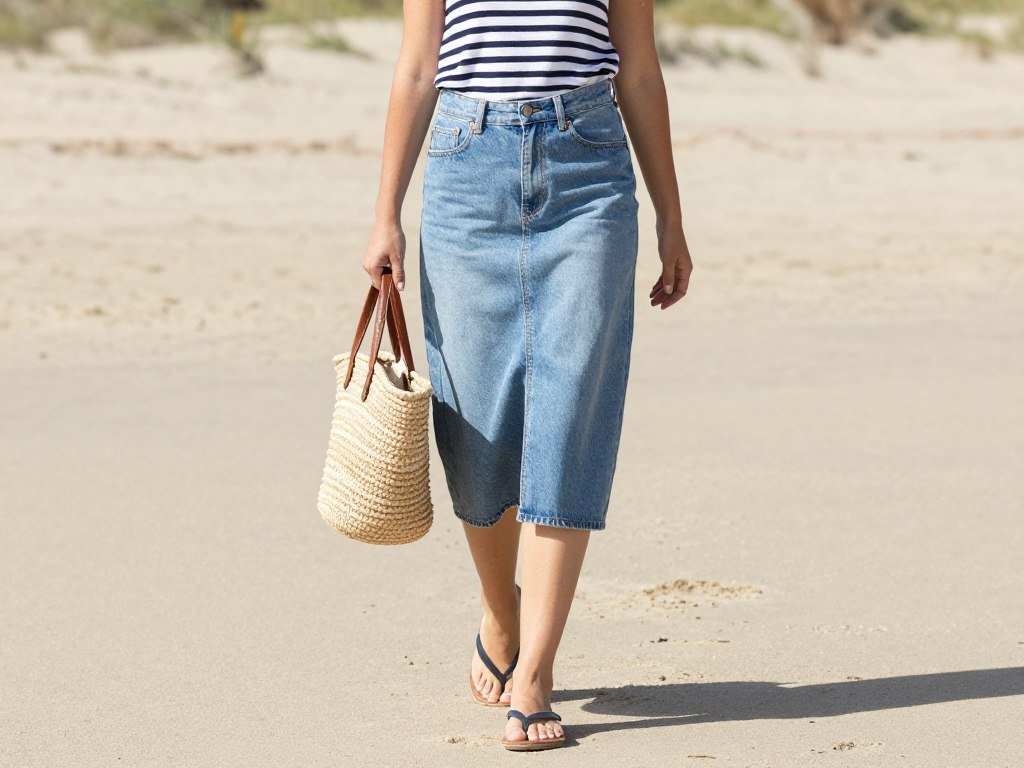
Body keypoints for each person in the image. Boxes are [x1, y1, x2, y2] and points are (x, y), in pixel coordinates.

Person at [361, 0, 692, 751]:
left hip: (589, 173)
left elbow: (638, 71)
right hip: (464, 171)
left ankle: (535, 676)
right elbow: (417, 66)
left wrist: (671, 214)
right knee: (474, 442)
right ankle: (500, 612)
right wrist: (384, 211)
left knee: (569, 418)